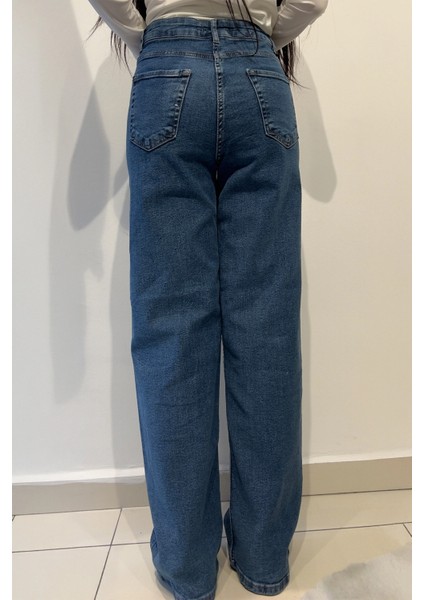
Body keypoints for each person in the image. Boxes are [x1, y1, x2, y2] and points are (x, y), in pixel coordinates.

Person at [87, 2, 328, 599]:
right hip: (260, 80)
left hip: (166, 72)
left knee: (171, 338)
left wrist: (151, 35)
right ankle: (263, 559)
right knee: (266, 333)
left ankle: (189, 569)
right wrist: (265, 33)